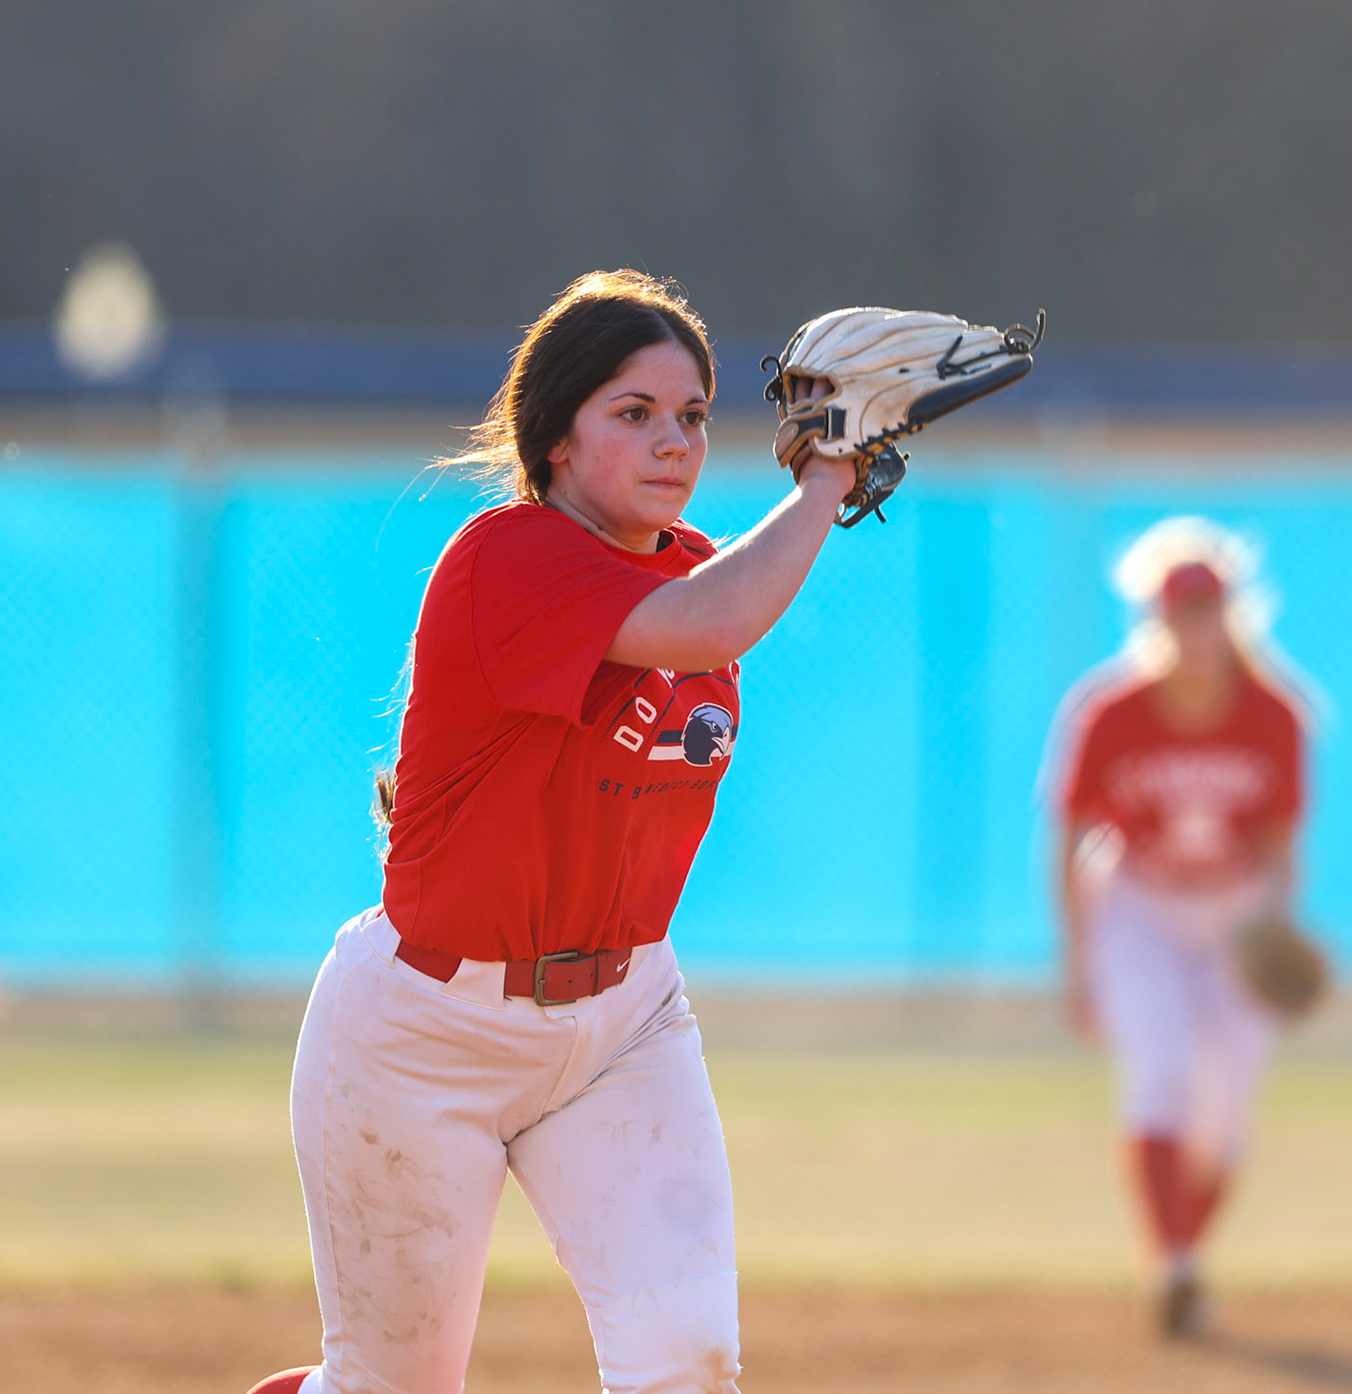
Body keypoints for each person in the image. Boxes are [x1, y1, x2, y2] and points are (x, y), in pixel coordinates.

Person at [243, 269, 865, 1394]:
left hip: (622, 1024)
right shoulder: (507, 556)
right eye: (632, 413)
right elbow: (712, 622)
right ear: (558, 442)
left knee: (688, 1360)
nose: (673, 440)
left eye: (691, 414)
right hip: (422, 1035)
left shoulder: (696, 570)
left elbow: (714, 606)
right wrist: (829, 478)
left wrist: (816, 492)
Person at [1047, 516, 1312, 1338]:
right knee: (1158, 1069)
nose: (1195, 628)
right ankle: (1176, 1265)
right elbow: (1069, 838)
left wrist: (1273, 929)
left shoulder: (1275, 713)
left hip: (1236, 906)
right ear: (1155, 619)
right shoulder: (1111, 711)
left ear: (1233, 612)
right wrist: (1081, 963)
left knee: (1225, 1110)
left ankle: (1183, 1263)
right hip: (1137, 899)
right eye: (1179, 613)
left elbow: (1279, 848)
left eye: (1209, 610)